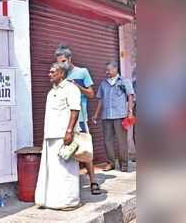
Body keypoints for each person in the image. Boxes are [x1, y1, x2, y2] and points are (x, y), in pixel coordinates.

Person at [54, 44, 101, 195]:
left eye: (63, 61)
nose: (60, 64)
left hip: (80, 119)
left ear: (69, 59)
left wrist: (77, 87)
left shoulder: (82, 72)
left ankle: (93, 181)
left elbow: (91, 94)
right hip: (64, 120)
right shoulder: (59, 75)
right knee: (66, 151)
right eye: (58, 62)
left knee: (84, 150)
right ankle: (70, 185)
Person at [35, 62, 81, 210]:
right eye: (49, 71)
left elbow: (75, 110)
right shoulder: (51, 92)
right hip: (51, 136)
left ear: (62, 74)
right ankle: (54, 201)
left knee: (66, 170)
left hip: (63, 137)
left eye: (53, 72)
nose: (49, 74)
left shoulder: (71, 88)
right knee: (54, 171)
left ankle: (69, 202)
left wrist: (69, 132)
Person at [92, 61, 135, 172]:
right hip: (106, 116)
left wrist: (130, 112)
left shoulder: (124, 81)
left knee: (122, 141)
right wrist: (96, 114)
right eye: (106, 70)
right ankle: (110, 163)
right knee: (107, 141)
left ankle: (124, 165)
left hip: (120, 115)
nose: (107, 72)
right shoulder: (103, 84)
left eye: (109, 70)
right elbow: (100, 100)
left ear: (116, 69)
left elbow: (130, 96)